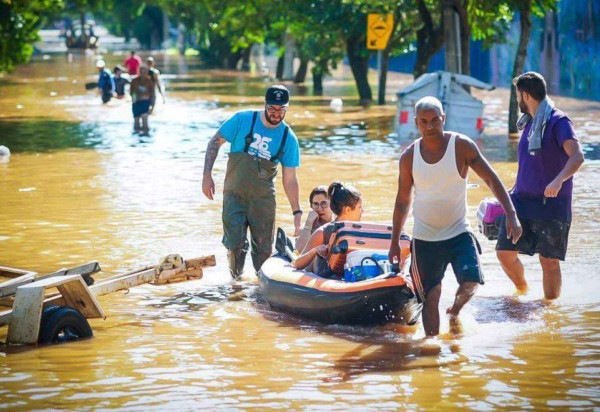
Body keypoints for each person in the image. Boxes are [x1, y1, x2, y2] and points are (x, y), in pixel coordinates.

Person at [388, 96, 522, 337]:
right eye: (424, 122)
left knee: (471, 282)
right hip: (425, 238)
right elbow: (402, 202)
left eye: (435, 121)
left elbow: (491, 178)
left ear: (444, 119)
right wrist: (394, 242)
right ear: (416, 123)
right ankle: (432, 347)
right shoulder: (409, 157)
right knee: (431, 295)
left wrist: (511, 214)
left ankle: (455, 311)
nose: (430, 127)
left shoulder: (461, 146)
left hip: (459, 232)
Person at [496, 72, 584, 300]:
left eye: (518, 96)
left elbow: (577, 157)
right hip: (522, 201)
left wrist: (558, 180)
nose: (517, 101)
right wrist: (510, 191)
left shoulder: (559, 121)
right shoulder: (529, 123)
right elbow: (531, 164)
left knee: (549, 261)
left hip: (552, 203)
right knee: (505, 252)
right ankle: (523, 290)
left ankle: (549, 311)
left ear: (525, 95)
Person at [202, 85, 301, 280]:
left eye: (281, 109)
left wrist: (296, 211)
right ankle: (236, 285)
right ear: (264, 104)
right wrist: (207, 175)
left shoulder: (288, 138)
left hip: (263, 200)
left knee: (264, 249)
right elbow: (215, 142)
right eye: (272, 108)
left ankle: (260, 289)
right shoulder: (243, 120)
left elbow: (290, 179)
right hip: (234, 196)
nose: (276, 113)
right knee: (234, 245)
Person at [294, 182, 362, 273]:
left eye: (323, 203)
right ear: (348, 210)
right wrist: (315, 251)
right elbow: (297, 264)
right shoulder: (322, 233)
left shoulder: (361, 230)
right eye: (360, 208)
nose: (363, 211)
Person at [295, 185, 334, 252]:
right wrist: (308, 224)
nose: (320, 208)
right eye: (316, 204)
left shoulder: (340, 223)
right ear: (311, 206)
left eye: (324, 203)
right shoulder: (306, 228)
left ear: (332, 204)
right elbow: (299, 250)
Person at [129, 65, 155, 135]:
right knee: (136, 124)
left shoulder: (149, 82)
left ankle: (145, 137)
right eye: (141, 71)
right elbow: (132, 92)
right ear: (139, 71)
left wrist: (152, 106)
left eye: (144, 71)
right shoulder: (134, 81)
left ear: (147, 72)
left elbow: (152, 95)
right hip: (136, 104)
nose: (142, 72)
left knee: (145, 122)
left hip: (145, 103)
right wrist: (134, 99)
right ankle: (136, 138)